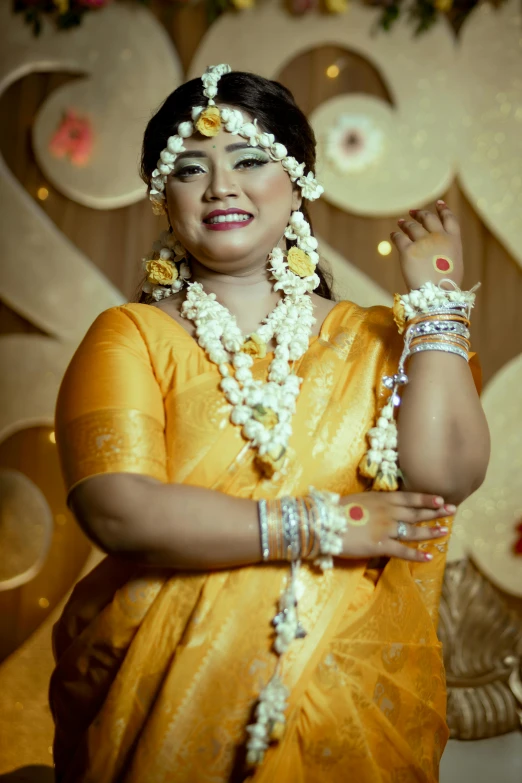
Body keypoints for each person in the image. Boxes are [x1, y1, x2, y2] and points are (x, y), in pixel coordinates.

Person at [50, 65, 490, 783]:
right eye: (190, 169)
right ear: (165, 200)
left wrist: (437, 302)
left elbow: (447, 477)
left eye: (250, 160)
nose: (222, 186)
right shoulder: (128, 336)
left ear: (300, 181)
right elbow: (118, 509)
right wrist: (323, 526)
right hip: (160, 692)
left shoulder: (380, 339)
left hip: (348, 699)